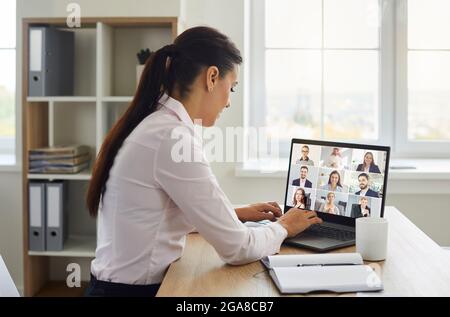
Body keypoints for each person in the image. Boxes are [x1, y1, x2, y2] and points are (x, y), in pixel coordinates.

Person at [84, 27, 322, 297]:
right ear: (211, 77)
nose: (229, 102)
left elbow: (163, 214)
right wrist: (284, 226)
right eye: (231, 87)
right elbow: (237, 248)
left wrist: (235, 213)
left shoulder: (157, 123)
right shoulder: (172, 138)